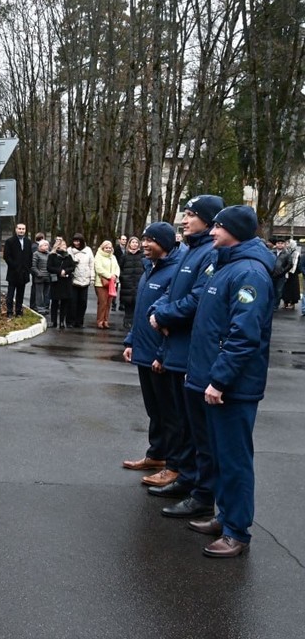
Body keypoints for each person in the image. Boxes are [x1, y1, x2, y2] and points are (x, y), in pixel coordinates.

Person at [184, 205, 274, 558]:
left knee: (235, 459)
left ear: (235, 230)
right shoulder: (226, 265)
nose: (212, 232)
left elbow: (243, 336)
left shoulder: (250, 273)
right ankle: (225, 517)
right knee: (221, 456)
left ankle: (237, 532)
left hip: (233, 388)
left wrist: (219, 380)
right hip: (215, 381)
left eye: (218, 226)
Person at [146, 194, 224, 509]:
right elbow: (169, 292)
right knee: (184, 422)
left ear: (208, 219)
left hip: (190, 350)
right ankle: (187, 479)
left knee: (193, 428)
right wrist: (158, 311)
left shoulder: (208, 254)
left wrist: (163, 316)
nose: (184, 220)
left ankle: (196, 487)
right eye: (185, 214)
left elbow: (196, 300)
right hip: (175, 349)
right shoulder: (190, 251)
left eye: (191, 214)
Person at [121, 223, 182, 475]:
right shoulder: (151, 268)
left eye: (151, 240)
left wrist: (161, 354)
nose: (144, 244)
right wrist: (131, 341)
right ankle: (156, 455)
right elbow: (141, 312)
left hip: (160, 357)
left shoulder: (176, 272)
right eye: (144, 239)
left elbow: (174, 320)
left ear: (165, 243)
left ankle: (173, 462)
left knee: (169, 413)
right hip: (143, 352)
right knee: (153, 410)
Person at [3, 223, 32, 317]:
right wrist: (14, 266)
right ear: (16, 229)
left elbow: (29, 256)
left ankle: (19, 311)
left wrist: (27, 268)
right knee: (10, 294)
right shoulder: (10, 241)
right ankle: (10, 311)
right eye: (19, 228)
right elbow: (7, 256)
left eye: (23, 229)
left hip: (24, 273)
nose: (21, 230)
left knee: (20, 293)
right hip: (13, 272)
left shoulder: (28, 242)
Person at [46, 238, 75, 329]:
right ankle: (53, 321)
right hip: (56, 281)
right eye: (63, 246)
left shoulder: (68, 256)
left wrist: (65, 271)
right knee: (54, 302)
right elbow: (49, 267)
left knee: (64, 302)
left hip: (66, 281)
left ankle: (62, 321)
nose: (65, 247)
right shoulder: (52, 256)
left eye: (66, 246)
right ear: (58, 246)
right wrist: (59, 271)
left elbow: (72, 267)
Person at [118, 237, 145, 330]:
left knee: (137, 304)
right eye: (132, 242)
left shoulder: (142, 256)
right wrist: (123, 278)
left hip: (138, 283)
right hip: (127, 284)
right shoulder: (125, 256)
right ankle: (127, 321)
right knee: (128, 304)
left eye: (136, 242)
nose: (134, 244)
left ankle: (135, 322)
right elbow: (120, 268)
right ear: (129, 244)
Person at [67, 233, 94, 327]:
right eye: (75, 241)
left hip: (85, 280)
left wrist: (92, 278)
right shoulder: (69, 250)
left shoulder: (88, 250)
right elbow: (67, 263)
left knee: (83, 302)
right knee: (72, 302)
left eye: (78, 241)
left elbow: (92, 264)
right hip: (74, 280)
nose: (76, 243)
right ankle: (71, 321)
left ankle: (80, 321)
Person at [93, 240, 120, 329]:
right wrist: (109, 276)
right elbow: (98, 268)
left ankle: (106, 320)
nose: (108, 249)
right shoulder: (98, 256)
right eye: (106, 248)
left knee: (109, 303)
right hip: (101, 283)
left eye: (109, 248)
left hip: (112, 283)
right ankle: (100, 320)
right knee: (102, 302)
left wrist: (115, 275)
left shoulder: (113, 257)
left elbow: (117, 268)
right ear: (102, 248)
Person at [270, 237, 293, 310]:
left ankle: (275, 305)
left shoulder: (287, 254)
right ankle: (270, 305)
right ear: (276, 244)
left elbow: (290, 264)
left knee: (278, 291)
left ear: (284, 245)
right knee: (270, 290)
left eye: (281, 243)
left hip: (281, 276)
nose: (280, 245)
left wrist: (283, 271)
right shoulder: (271, 252)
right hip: (271, 274)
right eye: (278, 243)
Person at [30, 239, 51, 315]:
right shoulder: (36, 254)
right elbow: (33, 266)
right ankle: (39, 308)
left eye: (47, 245)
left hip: (48, 277)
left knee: (47, 293)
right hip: (39, 277)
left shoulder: (49, 254)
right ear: (40, 246)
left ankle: (46, 307)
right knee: (39, 293)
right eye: (45, 245)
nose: (47, 247)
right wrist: (38, 273)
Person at [281, 238, 300, 309]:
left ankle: (293, 303)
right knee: (285, 288)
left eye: (288, 243)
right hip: (286, 272)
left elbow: (297, 264)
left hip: (293, 273)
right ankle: (285, 302)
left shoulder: (296, 253)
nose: (287, 245)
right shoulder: (286, 252)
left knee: (293, 289)